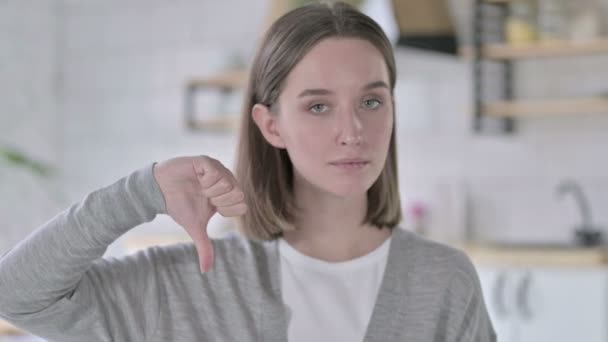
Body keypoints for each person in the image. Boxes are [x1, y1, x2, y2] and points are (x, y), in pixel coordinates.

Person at [0, 2, 496, 341]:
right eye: (318, 106)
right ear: (271, 124)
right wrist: (141, 191)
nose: (353, 131)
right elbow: (17, 295)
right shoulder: (196, 284)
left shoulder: (443, 281)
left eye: (371, 100)